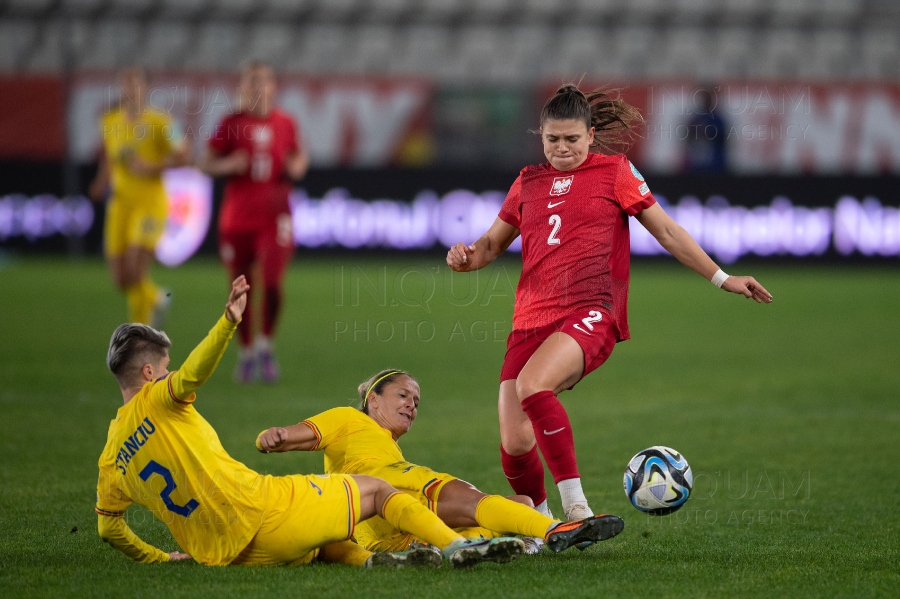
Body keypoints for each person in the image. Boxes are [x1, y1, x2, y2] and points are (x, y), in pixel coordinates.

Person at [446, 84, 772, 552]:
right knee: (515, 441)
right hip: (530, 319)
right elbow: (490, 246)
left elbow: (667, 231)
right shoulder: (527, 181)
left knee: (533, 386)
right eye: (553, 140)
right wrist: (465, 258)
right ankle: (544, 524)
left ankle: (577, 511)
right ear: (541, 137)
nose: (562, 149)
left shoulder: (615, 172)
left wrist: (723, 278)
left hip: (590, 311)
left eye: (572, 140)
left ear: (591, 135)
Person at [96, 276, 523, 569]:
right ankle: (459, 547)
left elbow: (108, 528)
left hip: (225, 554)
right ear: (149, 375)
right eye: (164, 366)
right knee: (375, 490)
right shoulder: (158, 397)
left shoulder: (111, 458)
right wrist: (228, 323)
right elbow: (192, 374)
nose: (170, 373)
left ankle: (381, 563)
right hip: (262, 513)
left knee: (328, 543)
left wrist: (161, 559)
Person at [256, 369, 624, 555]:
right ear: (373, 400)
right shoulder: (349, 420)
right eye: (403, 395)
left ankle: (518, 538)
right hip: (385, 489)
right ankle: (552, 530)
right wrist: (274, 437)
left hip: (385, 535)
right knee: (465, 496)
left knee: (520, 505)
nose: (411, 406)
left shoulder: (386, 446)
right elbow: (294, 435)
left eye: (416, 403)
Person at [200, 61, 309, 384]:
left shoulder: (286, 122)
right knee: (241, 288)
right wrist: (228, 164)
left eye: (264, 81)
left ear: (274, 87)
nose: (259, 87)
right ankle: (246, 352)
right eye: (252, 82)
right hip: (237, 219)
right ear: (243, 87)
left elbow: (300, 155)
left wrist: (298, 165)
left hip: (276, 215)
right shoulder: (232, 123)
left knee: (273, 283)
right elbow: (204, 163)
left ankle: (266, 344)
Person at [89, 65, 191, 328]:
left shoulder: (162, 121)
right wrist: (101, 182)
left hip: (150, 203)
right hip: (120, 204)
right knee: (120, 279)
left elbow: (184, 154)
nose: (131, 89)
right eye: (126, 83)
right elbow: (110, 159)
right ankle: (156, 299)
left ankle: (137, 333)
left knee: (136, 269)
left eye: (136, 83)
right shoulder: (110, 121)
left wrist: (150, 166)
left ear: (146, 88)